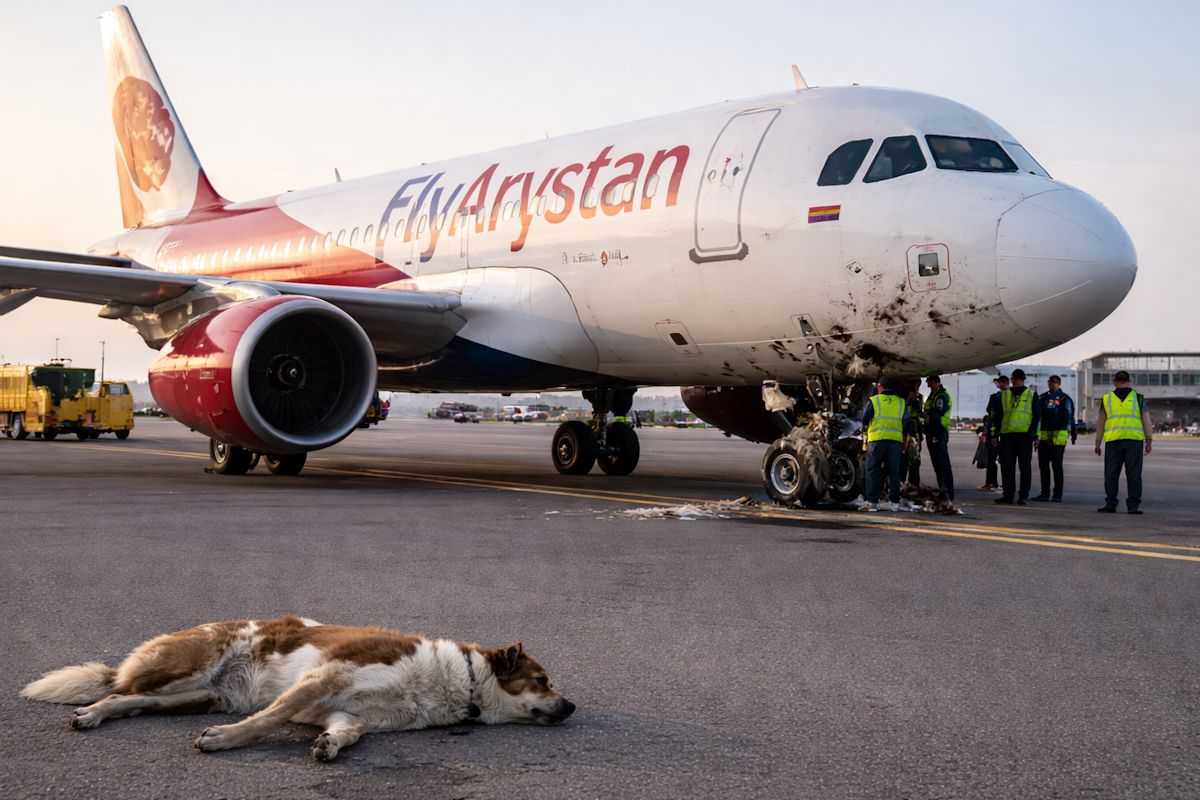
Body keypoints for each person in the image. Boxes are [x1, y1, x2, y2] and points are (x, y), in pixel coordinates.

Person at [1094, 370, 1153, 514]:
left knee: (1111, 475)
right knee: (1134, 475)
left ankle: (1111, 504)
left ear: (1115, 382)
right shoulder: (1139, 399)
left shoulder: (1106, 399)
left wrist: (1097, 443)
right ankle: (1133, 506)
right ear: (1128, 382)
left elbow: (1101, 423)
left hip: (1113, 442)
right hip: (1134, 442)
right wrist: (1149, 440)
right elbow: (1146, 421)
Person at [860, 378, 913, 512]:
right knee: (894, 472)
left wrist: (865, 433)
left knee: (873, 470)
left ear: (879, 387)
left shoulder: (874, 400)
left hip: (877, 441)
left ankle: (873, 503)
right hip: (895, 441)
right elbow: (907, 423)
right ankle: (894, 503)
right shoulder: (901, 402)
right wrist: (905, 440)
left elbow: (865, 419)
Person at [991, 368, 1040, 505]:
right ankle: (1009, 496)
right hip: (1008, 436)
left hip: (1024, 436)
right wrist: (995, 434)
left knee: (1023, 468)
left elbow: (1037, 417)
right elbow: (998, 417)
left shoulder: (1031, 394)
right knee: (1008, 468)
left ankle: (1022, 496)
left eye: (1013, 379)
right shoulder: (1004, 395)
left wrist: (1035, 436)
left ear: (1018, 379)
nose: (1012, 381)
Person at [1032, 375, 1075, 502]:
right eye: (1050, 382)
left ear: (1059, 384)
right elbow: (1037, 417)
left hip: (1057, 438)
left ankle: (1057, 494)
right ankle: (1044, 493)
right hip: (1044, 438)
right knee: (1043, 466)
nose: (1052, 384)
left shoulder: (1065, 399)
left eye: (1055, 382)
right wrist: (1036, 436)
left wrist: (1072, 433)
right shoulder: (1043, 398)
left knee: (1057, 466)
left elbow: (1068, 417)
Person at [924, 375, 955, 501]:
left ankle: (948, 491)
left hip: (938, 431)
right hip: (932, 431)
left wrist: (928, 415)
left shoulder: (941, 396)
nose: (927, 385)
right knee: (937, 464)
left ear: (936, 382)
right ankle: (943, 490)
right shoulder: (933, 395)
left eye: (929, 383)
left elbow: (937, 413)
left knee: (943, 463)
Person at [978, 375, 1008, 490]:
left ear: (1005, 382)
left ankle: (994, 483)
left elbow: (991, 411)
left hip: (1003, 431)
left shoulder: (1006, 397)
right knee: (992, 459)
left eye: (999, 383)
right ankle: (991, 482)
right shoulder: (995, 396)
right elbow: (989, 411)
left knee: (1001, 459)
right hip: (995, 431)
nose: (998, 385)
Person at [902, 384, 924, 487]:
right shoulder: (902, 398)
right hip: (905, 431)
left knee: (915, 460)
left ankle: (913, 485)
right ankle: (901, 484)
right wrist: (908, 398)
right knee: (903, 460)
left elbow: (920, 412)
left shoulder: (919, 397)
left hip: (914, 431)